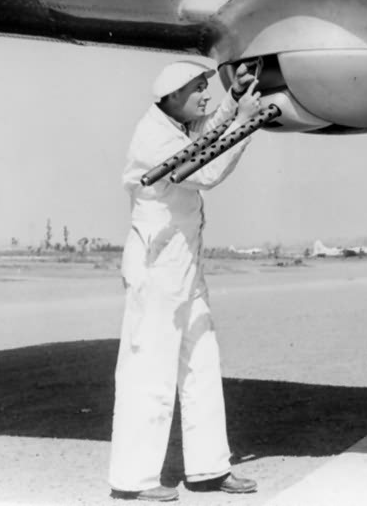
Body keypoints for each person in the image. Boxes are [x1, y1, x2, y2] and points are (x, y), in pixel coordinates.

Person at [109, 56, 262, 502]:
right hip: (157, 266)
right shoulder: (154, 140)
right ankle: (132, 481)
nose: (205, 94)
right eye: (198, 88)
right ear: (173, 97)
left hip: (184, 264)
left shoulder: (174, 126)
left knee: (202, 364)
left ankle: (209, 470)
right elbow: (208, 167)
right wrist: (246, 125)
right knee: (148, 370)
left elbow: (207, 135)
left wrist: (234, 102)